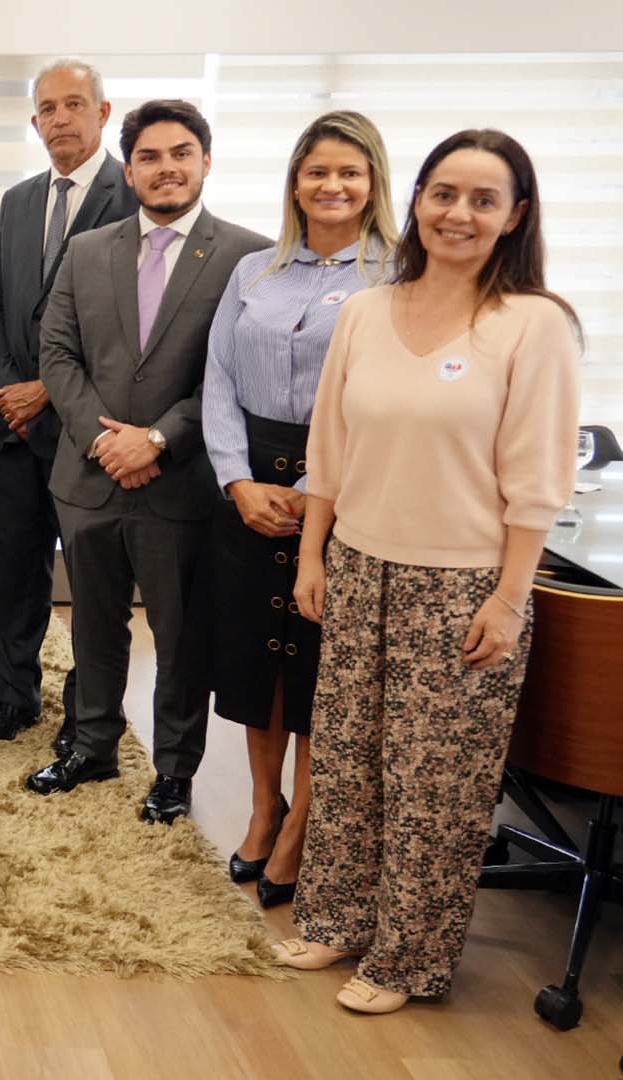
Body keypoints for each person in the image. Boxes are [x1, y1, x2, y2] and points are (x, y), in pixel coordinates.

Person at [277, 130, 581, 1015]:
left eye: (484, 200)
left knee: (432, 785)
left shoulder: (535, 324)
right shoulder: (369, 309)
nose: (459, 213)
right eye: (444, 193)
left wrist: (511, 600)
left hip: (462, 584)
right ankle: (335, 919)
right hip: (360, 562)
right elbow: (328, 448)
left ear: (515, 216)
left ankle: (407, 959)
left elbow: (538, 481)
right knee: (345, 761)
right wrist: (312, 555)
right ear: (415, 200)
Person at [32, 99, 270, 824]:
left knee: (178, 641)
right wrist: (103, 440)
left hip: (182, 483)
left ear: (204, 161)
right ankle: (94, 745)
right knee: (93, 629)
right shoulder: (88, 249)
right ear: (129, 169)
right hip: (89, 480)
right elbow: (57, 353)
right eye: (150, 157)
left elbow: (232, 379)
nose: (166, 168)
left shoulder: (248, 257)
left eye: (180, 154)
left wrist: (158, 439)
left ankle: (173, 772)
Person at [202, 111, 398, 908]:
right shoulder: (253, 271)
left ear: (375, 182)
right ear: (295, 182)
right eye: (317, 170)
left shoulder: (397, 277)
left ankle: (303, 825)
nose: (332, 185)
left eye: (350, 172)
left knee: (321, 667)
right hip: (252, 485)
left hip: (346, 490)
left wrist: (328, 489)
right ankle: (262, 805)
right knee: (256, 663)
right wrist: (236, 481)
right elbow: (217, 381)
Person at [0, 58, 137, 752]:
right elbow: (1, 302)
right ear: (33, 121)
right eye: (48, 107)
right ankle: (17, 697)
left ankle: (83, 713)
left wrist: (48, 387)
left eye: (74, 104)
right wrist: (13, 387)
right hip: (18, 427)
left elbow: (128, 323)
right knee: (16, 571)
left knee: (96, 585)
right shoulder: (16, 201)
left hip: (86, 424)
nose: (60, 118)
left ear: (102, 114)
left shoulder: (130, 194)